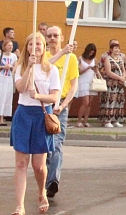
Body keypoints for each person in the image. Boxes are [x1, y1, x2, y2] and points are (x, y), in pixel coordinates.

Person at [10, 32, 60, 215]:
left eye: (39, 44)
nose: (35, 47)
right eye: (31, 44)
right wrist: (29, 67)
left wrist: (38, 96)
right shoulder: (21, 67)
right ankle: (20, 205)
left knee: (38, 165)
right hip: (23, 114)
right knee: (21, 163)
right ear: (27, 47)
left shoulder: (51, 69)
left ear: (44, 47)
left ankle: (41, 192)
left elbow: (55, 97)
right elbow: (20, 88)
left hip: (41, 115)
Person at [44, 26, 79, 200]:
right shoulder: (44, 56)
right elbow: (43, 68)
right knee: (45, 146)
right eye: (49, 36)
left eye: (55, 35)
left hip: (60, 107)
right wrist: (62, 52)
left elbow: (74, 86)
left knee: (57, 144)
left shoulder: (70, 59)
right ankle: (46, 179)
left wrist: (64, 105)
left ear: (61, 37)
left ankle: (52, 182)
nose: (52, 38)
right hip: (44, 106)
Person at [98, 40, 126, 128]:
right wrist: (120, 78)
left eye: (118, 48)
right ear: (111, 49)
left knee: (118, 101)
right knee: (110, 101)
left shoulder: (120, 58)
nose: (117, 50)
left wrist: (124, 77)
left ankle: (116, 120)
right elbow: (108, 71)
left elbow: (123, 69)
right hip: (111, 84)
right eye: (115, 48)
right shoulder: (107, 58)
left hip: (119, 84)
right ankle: (107, 120)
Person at [0, 38, 17, 125]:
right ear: (4, 46)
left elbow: (16, 68)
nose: (10, 47)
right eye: (9, 45)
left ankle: (2, 119)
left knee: (6, 98)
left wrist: (11, 68)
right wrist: (3, 67)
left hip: (8, 79)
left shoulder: (14, 56)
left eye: (11, 45)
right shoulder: (0, 55)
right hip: (0, 78)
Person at [75, 43, 99, 128]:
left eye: (93, 52)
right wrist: (88, 68)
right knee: (85, 102)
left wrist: (96, 69)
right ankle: (79, 121)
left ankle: (85, 121)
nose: (91, 54)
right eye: (90, 52)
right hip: (83, 81)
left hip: (91, 81)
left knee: (89, 104)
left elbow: (97, 72)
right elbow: (78, 72)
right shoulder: (80, 59)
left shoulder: (95, 60)